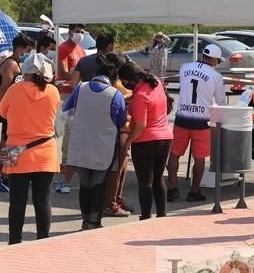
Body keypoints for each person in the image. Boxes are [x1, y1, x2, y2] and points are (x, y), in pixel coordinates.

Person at [0, 53, 60, 244]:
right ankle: (43, 239)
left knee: (17, 202)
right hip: (46, 153)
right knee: (43, 202)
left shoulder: (15, 90)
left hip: (17, 152)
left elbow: (2, 111)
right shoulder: (53, 91)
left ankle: (14, 240)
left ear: (25, 72)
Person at [64, 54, 126, 229]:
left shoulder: (80, 88)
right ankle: (94, 221)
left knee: (85, 185)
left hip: (80, 144)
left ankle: (85, 220)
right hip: (103, 148)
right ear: (113, 78)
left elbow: (66, 110)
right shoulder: (116, 95)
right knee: (98, 185)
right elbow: (121, 122)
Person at [167, 44, 227, 202]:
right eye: (218, 61)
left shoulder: (185, 67)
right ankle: (194, 191)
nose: (218, 63)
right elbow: (221, 102)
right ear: (214, 59)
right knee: (199, 158)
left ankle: (172, 187)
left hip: (182, 118)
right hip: (202, 121)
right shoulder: (216, 76)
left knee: (174, 154)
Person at [118, 62, 173, 220]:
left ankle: (146, 216)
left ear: (129, 80)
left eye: (123, 81)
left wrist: (128, 141)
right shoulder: (154, 81)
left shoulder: (140, 97)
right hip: (165, 137)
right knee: (158, 178)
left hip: (145, 141)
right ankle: (162, 214)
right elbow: (139, 95)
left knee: (145, 181)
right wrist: (125, 97)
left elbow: (141, 125)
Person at [0, 33, 35, 192]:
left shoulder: (16, 62)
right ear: (20, 48)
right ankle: (4, 176)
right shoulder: (11, 64)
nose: (28, 53)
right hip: (8, 109)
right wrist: (1, 109)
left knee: (9, 142)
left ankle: (7, 174)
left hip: (13, 108)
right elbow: (4, 88)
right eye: (28, 49)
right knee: (5, 142)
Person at [56, 23, 87, 194]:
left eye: (82, 32)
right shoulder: (64, 48)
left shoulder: (80, 50)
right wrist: (76, 80)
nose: (79, 34)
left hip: (78, 93)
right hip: (66, 94)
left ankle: (71, 162)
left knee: (75, 131)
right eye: (77, 31)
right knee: (67, 130)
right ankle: (65, 163)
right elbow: (64, 71)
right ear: (69, 32)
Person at [103, 52, 134, 217]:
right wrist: (135, 94)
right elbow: (119, 97)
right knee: (116, 169)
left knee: (121, 169)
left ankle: (116, 199)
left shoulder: (117, 83)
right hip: (118, 130)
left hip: (124, 130)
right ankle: (110, 203)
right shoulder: (113, 85)